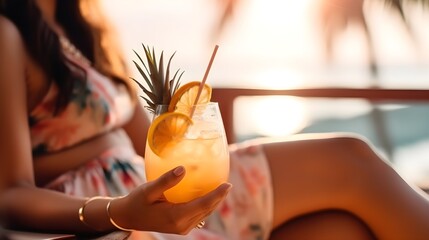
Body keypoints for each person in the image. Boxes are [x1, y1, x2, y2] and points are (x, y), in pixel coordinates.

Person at [1, 0, 429, 239]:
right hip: (114, 207)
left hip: (149, 187)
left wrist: (184, 136)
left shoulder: (82, 25)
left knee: (341, 225)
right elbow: (10, 193)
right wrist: (118, 212)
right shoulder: (8, 34)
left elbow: (145, 140)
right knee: (348, 166)